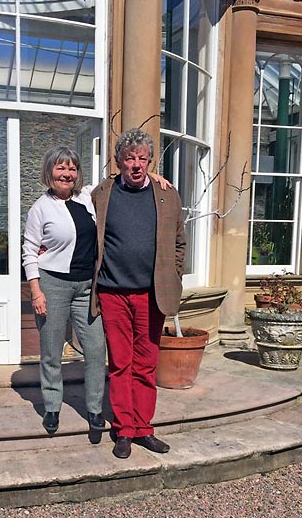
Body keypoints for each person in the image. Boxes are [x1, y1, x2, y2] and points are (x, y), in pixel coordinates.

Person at [90, 128, 186, 459]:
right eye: (130, 158)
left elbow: (179, 241)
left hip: (151, 295)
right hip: (113, 294)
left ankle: (143, 428)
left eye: (143, 159)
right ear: (118, 161)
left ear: (150, 162)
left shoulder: (167, 195)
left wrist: (172, 273)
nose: (136, 164)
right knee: (120, 364)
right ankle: (123, 430)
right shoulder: (101, 194)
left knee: (145, 364)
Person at [22, 146, 107, 436]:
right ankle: (52, 406)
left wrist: (156, 178)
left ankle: (95, 409)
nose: (66, 173)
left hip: (87, 287)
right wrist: (36, 292)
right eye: (60, 168)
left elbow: (118, 185)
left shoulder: (87, 198)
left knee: (96, 349)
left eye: (71, 168)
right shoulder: (40, 208)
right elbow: (30, 252)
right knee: (51, 351)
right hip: (53, 285)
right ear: (50, 172)